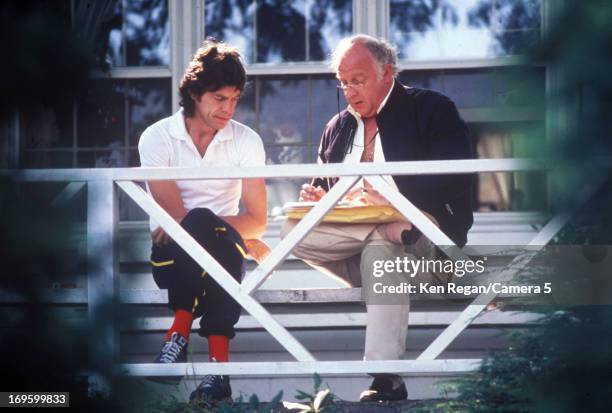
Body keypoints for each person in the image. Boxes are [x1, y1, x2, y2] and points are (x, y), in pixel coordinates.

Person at [281, 34, 474, 402]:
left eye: (357, 80)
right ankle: (384, 234)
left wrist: (403, 210)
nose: (349, 91)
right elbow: (324, 185)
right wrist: (318, 199)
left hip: (428, 248)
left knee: (381, 250)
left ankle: (386, 380)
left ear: (387, 72)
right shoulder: (337, 127)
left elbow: (456, 179)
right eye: (343, 82)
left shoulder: (431, 107)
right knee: (294, 229)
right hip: (361, 243)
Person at [138, 39, 270, 403]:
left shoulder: (246, 141)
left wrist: (216, 230)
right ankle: (217, 371)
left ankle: (178, 334)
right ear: (195, 92)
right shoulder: (158, 137)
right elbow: (174, 222)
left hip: (222, 263)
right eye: (219, 98)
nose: (228, 109)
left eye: (235, 99)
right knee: (203, 227)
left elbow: (257, 220)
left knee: (215, 242)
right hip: (169, 259)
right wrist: (226, 230)